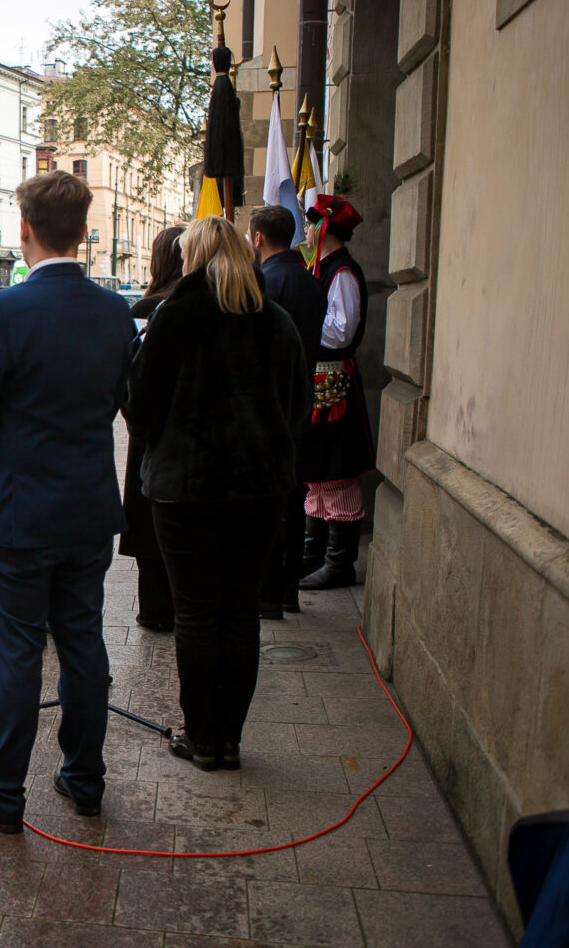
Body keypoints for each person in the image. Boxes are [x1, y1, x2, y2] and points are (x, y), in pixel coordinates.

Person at [0, 170, 135, 832]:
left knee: (16, 654)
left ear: (24, 228)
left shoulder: (1, 311)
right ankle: (84, 777)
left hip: (13, 513)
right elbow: (121, 402)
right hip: (85, 508)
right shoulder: (114, 312)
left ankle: (2, 792)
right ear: (82, 232)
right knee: (82, 642)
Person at [124, 215, 309, 772]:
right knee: (240, 611)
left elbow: (140, 408)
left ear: (194, 259)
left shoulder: (175, 316)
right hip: (259, 491)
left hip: (186, 489)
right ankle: (229, 738)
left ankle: (202, 738)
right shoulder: (275, 321)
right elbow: (297, 407)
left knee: (197, 613)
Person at [250, 206, 329, 618]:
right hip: (301, 404)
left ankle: (267, 592)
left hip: (267, 410)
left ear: (258, 238)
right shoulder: (311, 283)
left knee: (267, 501)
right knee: (295, 498)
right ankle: (287, 591)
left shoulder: (262, 283)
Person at [298, 195, 375, 590]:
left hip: (335, 387)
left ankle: (339, 562)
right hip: (321, 384)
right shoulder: (323, 267)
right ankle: (314, 555)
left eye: (311, 223)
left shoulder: (342, 271)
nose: (306, 230)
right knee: (318, 470)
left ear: (324, 227)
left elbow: (340, 332)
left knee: (336, 471)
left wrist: (303, 323)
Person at [118, 226, 187, 634]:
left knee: (148, 522)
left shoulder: (150, 307)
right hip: (187, 433)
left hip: (151, 434)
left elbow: (133, 377)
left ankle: (156, 608)